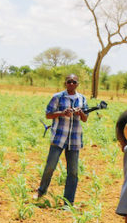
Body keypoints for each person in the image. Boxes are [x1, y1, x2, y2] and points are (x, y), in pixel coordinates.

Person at [34, 74, 87, 205]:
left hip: (74, 140)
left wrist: (80, 112)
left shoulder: (82, 99)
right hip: (59, 137)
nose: (72, 84)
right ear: (65, 83)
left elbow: (85, 119)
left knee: (73, 172)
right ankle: (41, 191)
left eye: (74, 82)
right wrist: (63, 113)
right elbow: (48, 114)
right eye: (69, 82)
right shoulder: (57, 97)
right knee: (50, 166)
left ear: (77, 84)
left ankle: (68, 201)